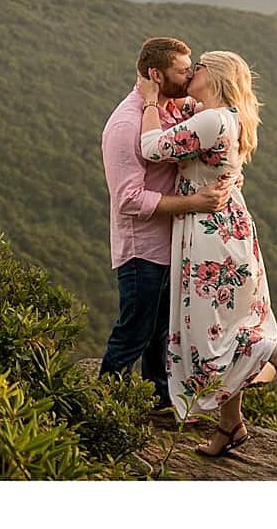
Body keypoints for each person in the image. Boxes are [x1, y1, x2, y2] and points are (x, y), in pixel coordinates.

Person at [139, 48, 277, 458]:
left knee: (207, 335)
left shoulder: (212, 119)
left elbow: (152, 148)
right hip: (227, 228)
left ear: (213, 75)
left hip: (211, 236)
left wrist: (147, 101)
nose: (191, 72)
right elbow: (187, 108)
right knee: (225, 327)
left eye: (198, 67)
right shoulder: (223, 114)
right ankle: (231, 427)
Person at [98, 37, 233, 415]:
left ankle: (158, 402)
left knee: (162, 335)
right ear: (156, 75)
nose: (189, 74)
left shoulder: (172, 110)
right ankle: (103, 409)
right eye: (182, 69)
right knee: (134, 334)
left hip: (174, 245)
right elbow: (128, 199)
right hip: (142, 250)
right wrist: (194, 203)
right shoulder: (126, 124)